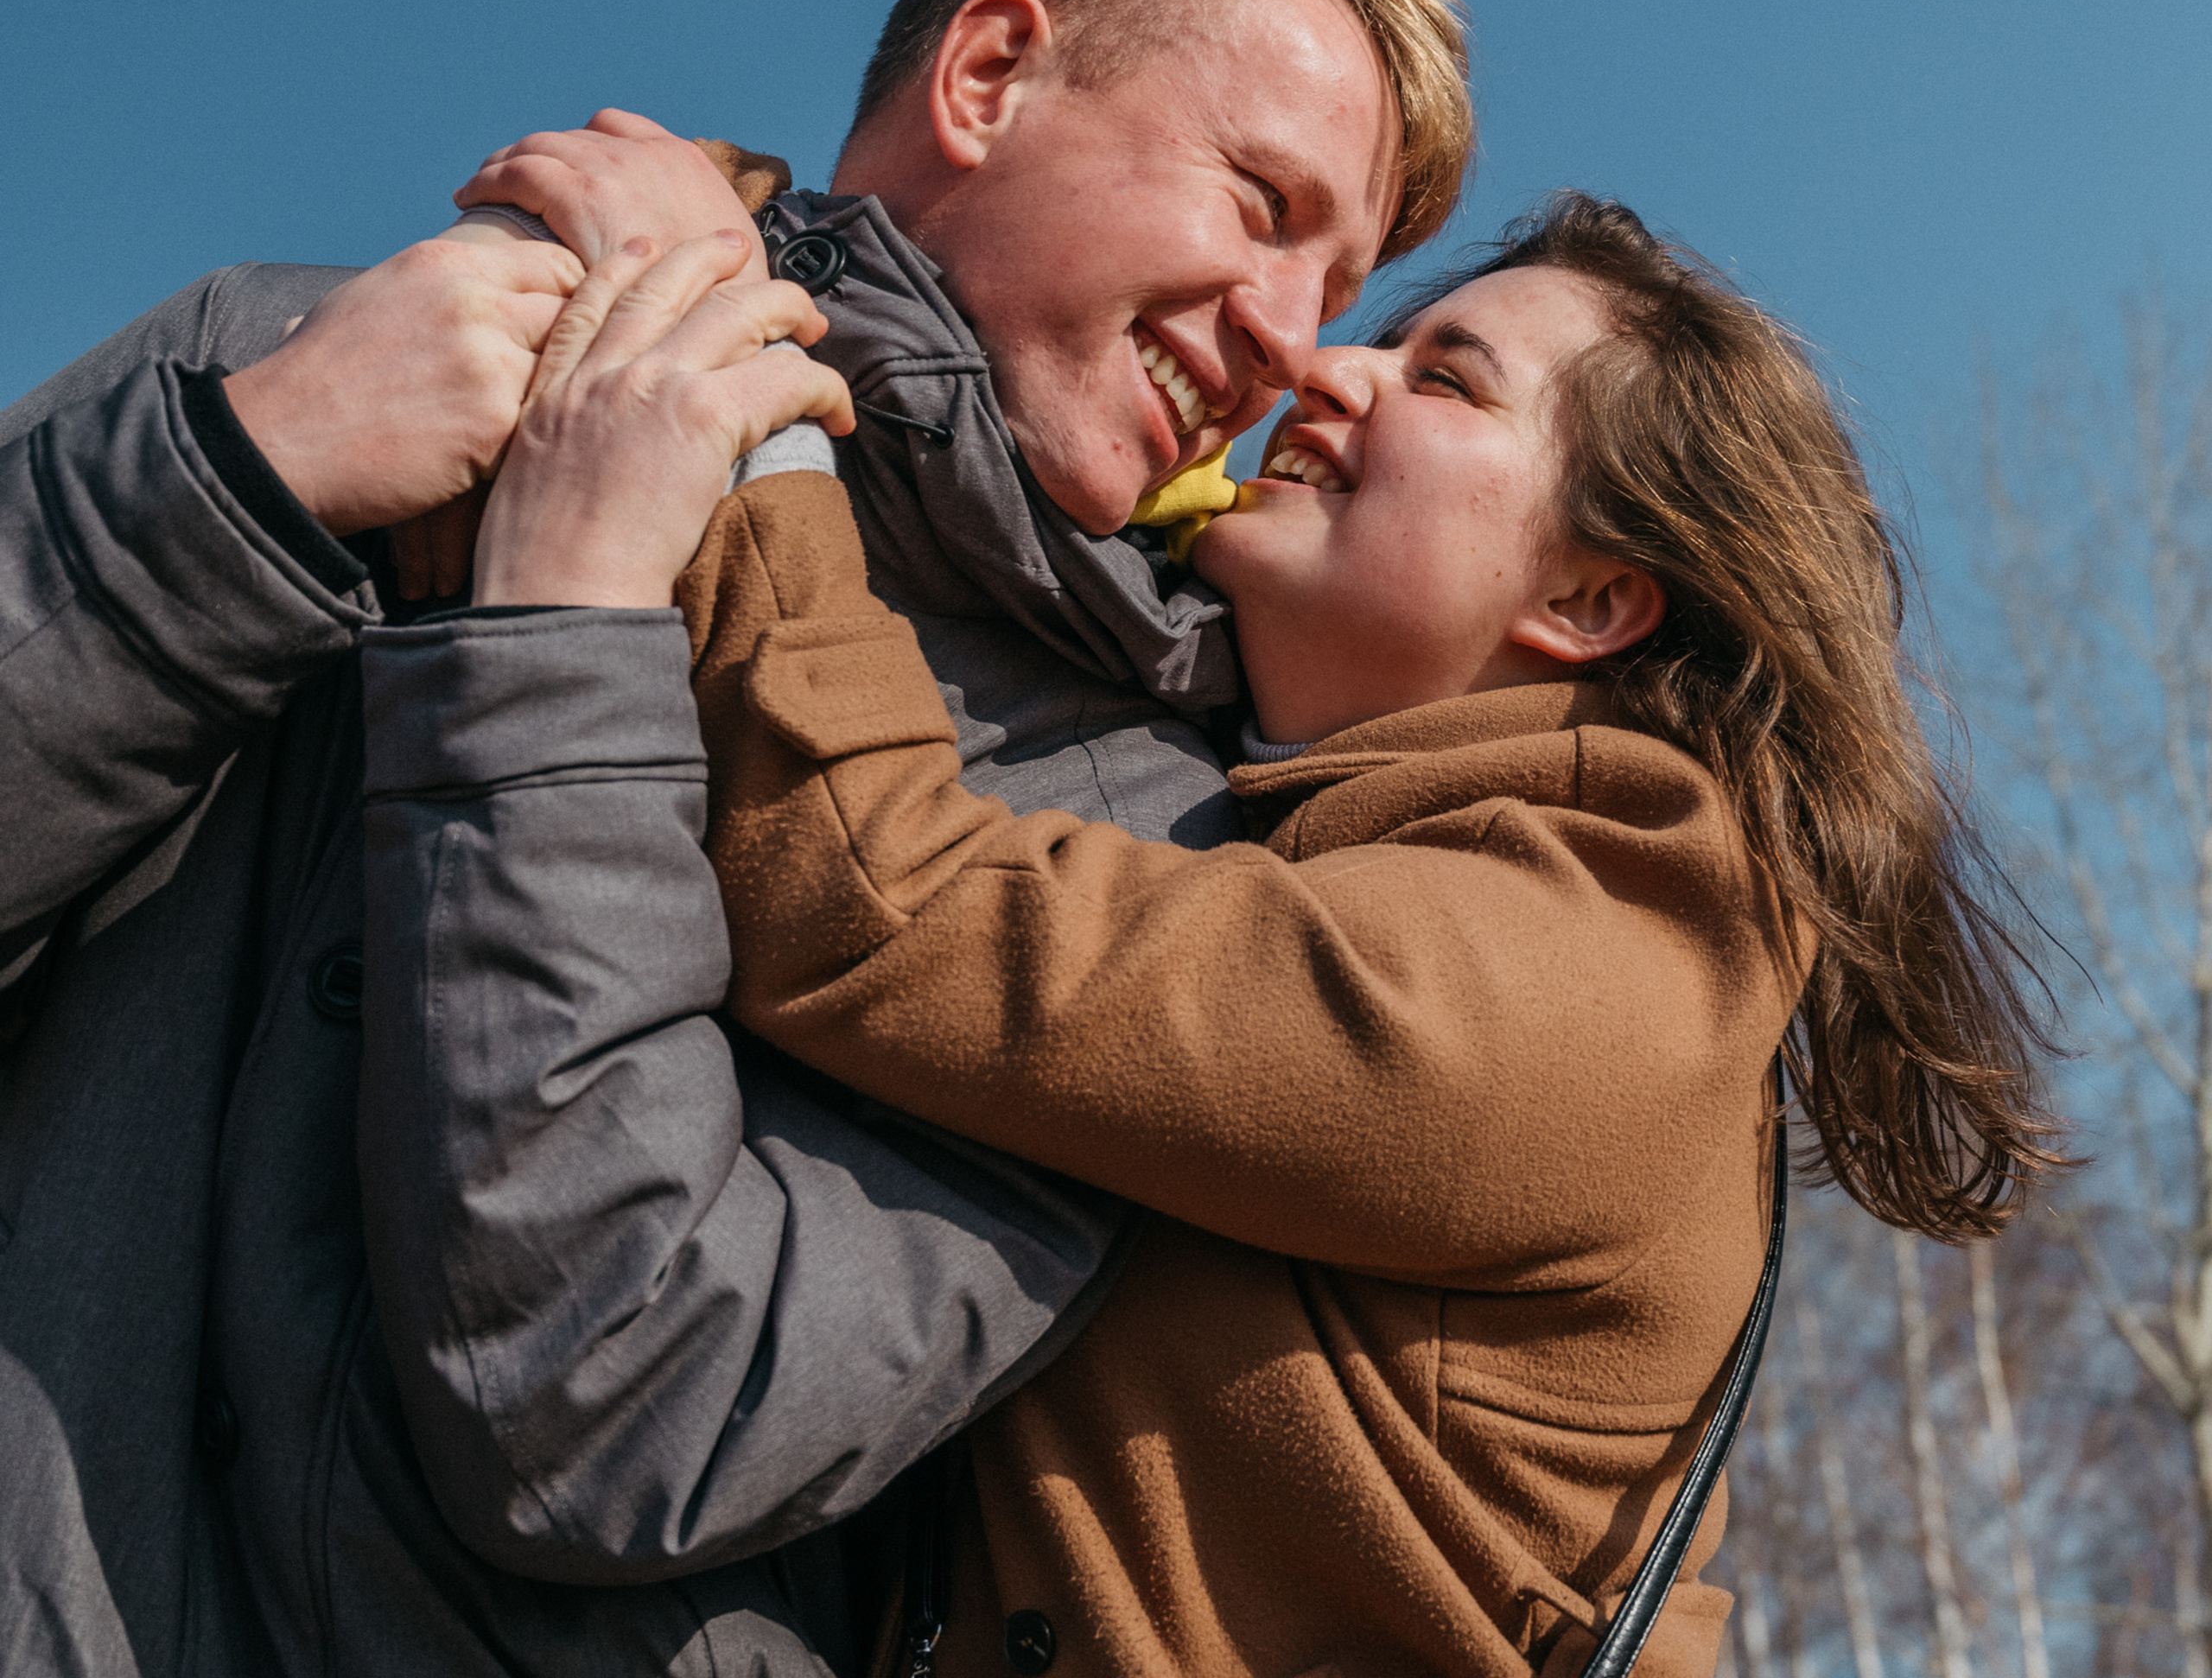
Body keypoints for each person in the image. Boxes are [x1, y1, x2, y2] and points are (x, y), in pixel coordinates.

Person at [0, 0, 1469, 1677]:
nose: (1290, 344)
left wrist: (552, 635)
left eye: (1339, 282)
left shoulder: (1161, 845)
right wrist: (243, 484)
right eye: (1263, 205)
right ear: (989, 75)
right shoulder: (311, 356)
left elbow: (631, 1419)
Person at [416, 192, 2062, 1676]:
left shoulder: (1618, 961)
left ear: (1585, 605)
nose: (1328, 368)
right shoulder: (1316, 834)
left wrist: (739, 364)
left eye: (1448, 380)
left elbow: (883, 902)